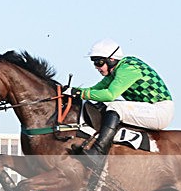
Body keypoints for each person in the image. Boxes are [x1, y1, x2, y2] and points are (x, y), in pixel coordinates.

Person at [68, 39, 173, 180]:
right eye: (94, 62)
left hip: (159, 111)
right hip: (149, 109)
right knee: (103, 105)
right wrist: (70, 91)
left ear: (112, 59)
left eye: (99, 62)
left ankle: (98, 152)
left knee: (114, 106)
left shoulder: (128, 69)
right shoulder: (116, 71)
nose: (96, 67)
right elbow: (95, 90)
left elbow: (109, 95)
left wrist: (79, 93)